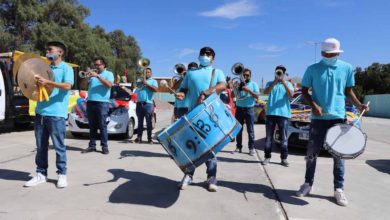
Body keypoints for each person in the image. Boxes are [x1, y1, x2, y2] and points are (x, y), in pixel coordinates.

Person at [296, 38, 369, 206]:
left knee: (339, 156)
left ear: (338, 53)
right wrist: (314, 105)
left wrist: (359, 105)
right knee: (312, 154)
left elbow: (348, 90)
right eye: (327, 54)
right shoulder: (312, 69)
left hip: (338, 117)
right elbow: (304, 90)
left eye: (333, 54)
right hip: (318, 119)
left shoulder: (347, 68)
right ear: (322, 53)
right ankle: (308, 184)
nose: (330, 56)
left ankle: (339, 189)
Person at [176, 47, 226, 192]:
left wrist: (207, 92)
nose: (204, 56)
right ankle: (188, 175)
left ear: (213, 59)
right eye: (202, 54)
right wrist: (181, 94)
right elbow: (184, 89)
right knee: (191, 147)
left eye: (208, 54)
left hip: (211, 115)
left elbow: (223, 85)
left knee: (210, 148)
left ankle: (211, 177)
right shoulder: (191, 73)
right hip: (193, 114)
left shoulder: (217, 72)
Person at [24, 41, 74, 188]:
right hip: (40, 113)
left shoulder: (66, 68)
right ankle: (41, 174)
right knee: (41, 146)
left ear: (60, 52)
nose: (47, 52)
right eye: (47, 50)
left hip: (57, 114)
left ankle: (62, 174)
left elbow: (67, 86)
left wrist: (48, 82)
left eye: (50, 50)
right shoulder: (44, 68)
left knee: (59, 146)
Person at [262, 65, 294, 166]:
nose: (279, 74)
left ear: (284, 74)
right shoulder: (269, 83)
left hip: (283, 114)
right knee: (268, 138)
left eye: (281, 73)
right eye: (278, 72)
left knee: (284, 138)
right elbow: (266, 92)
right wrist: (275, 82)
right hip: (271, 114)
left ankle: (284, 158)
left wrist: (283, 82)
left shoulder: (288, 83)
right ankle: (267, 157)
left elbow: (291, 95)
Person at [82, 58, 114, 155]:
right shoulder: (91, 76)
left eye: (98, 64)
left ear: (103, 65)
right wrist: (86, 76)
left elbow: (109, 85)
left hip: (102, 102)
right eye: (95, 64)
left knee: (102, 125)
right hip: (91, 101)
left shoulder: (109, 74)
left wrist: (98, 76)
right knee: (92, 126)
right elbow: (83, 86)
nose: (96, 66)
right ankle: (92, 145)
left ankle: (104, 146)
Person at [232, 68, 260, 156]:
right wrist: (236, 88)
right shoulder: (238, 83)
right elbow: (233, 95)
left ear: (250, 76)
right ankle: (238, 147)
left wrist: (247, 90)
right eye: (244, 75)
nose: (245, 76)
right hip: (239, 108)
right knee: (238, 129)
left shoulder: (254, 84)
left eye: (247, 75)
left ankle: (251, 148)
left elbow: (257, 96)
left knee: (250, 130)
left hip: (249, 109)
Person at [134, 67, 158, 144]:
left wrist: (146, 83)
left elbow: (155, 90)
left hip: (148, 103)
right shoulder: (139, 80)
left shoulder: (153, 81)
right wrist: (136, 80)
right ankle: (139, 138)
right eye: (145, 72)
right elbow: (135, 88)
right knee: (140, 122)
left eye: (148, 72)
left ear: (151, 73)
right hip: (139, 103)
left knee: (149, 122)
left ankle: (149, 138)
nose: (146, 73)